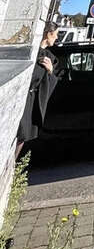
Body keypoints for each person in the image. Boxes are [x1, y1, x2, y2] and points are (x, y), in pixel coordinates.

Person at [15, 21, 60, 158]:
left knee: (22, 137)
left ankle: (9, 168)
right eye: (56, 34)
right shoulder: (32, 53)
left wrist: (50, 72)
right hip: (22, 100)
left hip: (31, 103)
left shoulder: (50, 58)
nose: (57, 38)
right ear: (48, 34)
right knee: (19, 134)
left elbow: (50, 83)